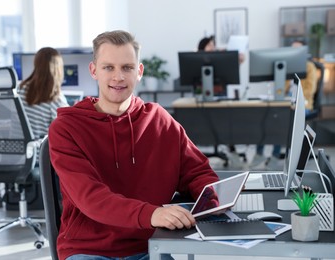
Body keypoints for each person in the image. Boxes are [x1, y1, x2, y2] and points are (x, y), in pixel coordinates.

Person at [48, 30, 219, 260]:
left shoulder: (160, 120)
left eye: (127, 68)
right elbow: (91, 198)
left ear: (139, 72)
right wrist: (152, 214)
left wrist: (214, 200)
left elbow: (198, 172)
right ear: (94, 71)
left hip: (149, 246)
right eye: (109, 67)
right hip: (88, 249)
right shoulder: (66, 127)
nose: (118, 77)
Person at [251, 40, 318, 170]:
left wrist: (295, 94)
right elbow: (283, 88)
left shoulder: (309, 66)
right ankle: (259, 152)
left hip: (304, 105)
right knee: (266, 116)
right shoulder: (289, 66)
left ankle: (275, 156)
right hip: (287, 103)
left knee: (281, 120)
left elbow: (311, 89)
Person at [197, 35, 246, 170]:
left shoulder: (220, 58)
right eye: (209, 45)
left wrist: (238, 59)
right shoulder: (197, 59)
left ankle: (231, 150)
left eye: (213, 45)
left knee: (227, 124)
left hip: (220, 96)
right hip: (203, 97)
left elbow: (237, 61)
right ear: (202, 47)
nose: (212, 47)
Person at [18, 47, 69, 142]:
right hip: (40, 155)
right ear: (58, 69)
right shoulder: (56, 100)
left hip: (20, 154)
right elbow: (66, 133)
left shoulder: (20, 89)